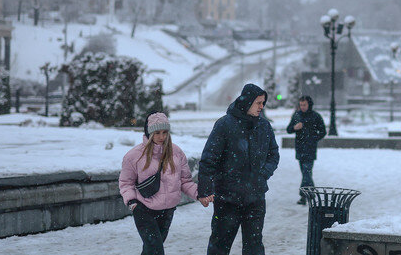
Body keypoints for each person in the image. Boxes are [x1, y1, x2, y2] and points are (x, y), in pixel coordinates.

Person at [198, 83, 279, 255]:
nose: (261, 107)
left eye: (263, 103)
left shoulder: (264, 127)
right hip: (227, 199)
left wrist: (262, 175)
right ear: (247, 102)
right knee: (219, 245)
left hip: (255, 198)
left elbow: (274, 154)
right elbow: (208, 160)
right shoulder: (224, 125)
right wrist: (204, 190)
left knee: (254, 247)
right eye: (258, 103)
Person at [119, 112, 198, 255]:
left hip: (167, 211)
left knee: (151, 250)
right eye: (157, 133)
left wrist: (200, 195)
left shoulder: (177, 152)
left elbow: (185, 181)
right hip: (144, 210)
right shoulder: (134, 156)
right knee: (156, 250)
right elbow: (126, 183)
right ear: (149, 133)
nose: (162, 137)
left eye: (165, 132)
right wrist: (132, 202)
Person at [285, 95, 326, 205]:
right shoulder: (296, 115)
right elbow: (288, 129)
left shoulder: (315, 116)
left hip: (310, 149)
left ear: (309, 105)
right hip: (299, 148)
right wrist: (295, 128)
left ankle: (303, 196)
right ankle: (311, 193)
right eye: (301, 105)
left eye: (304, 105)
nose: (302, 107)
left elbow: (323, 131)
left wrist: (313, 139)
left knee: (307, 172)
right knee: (305, 173)